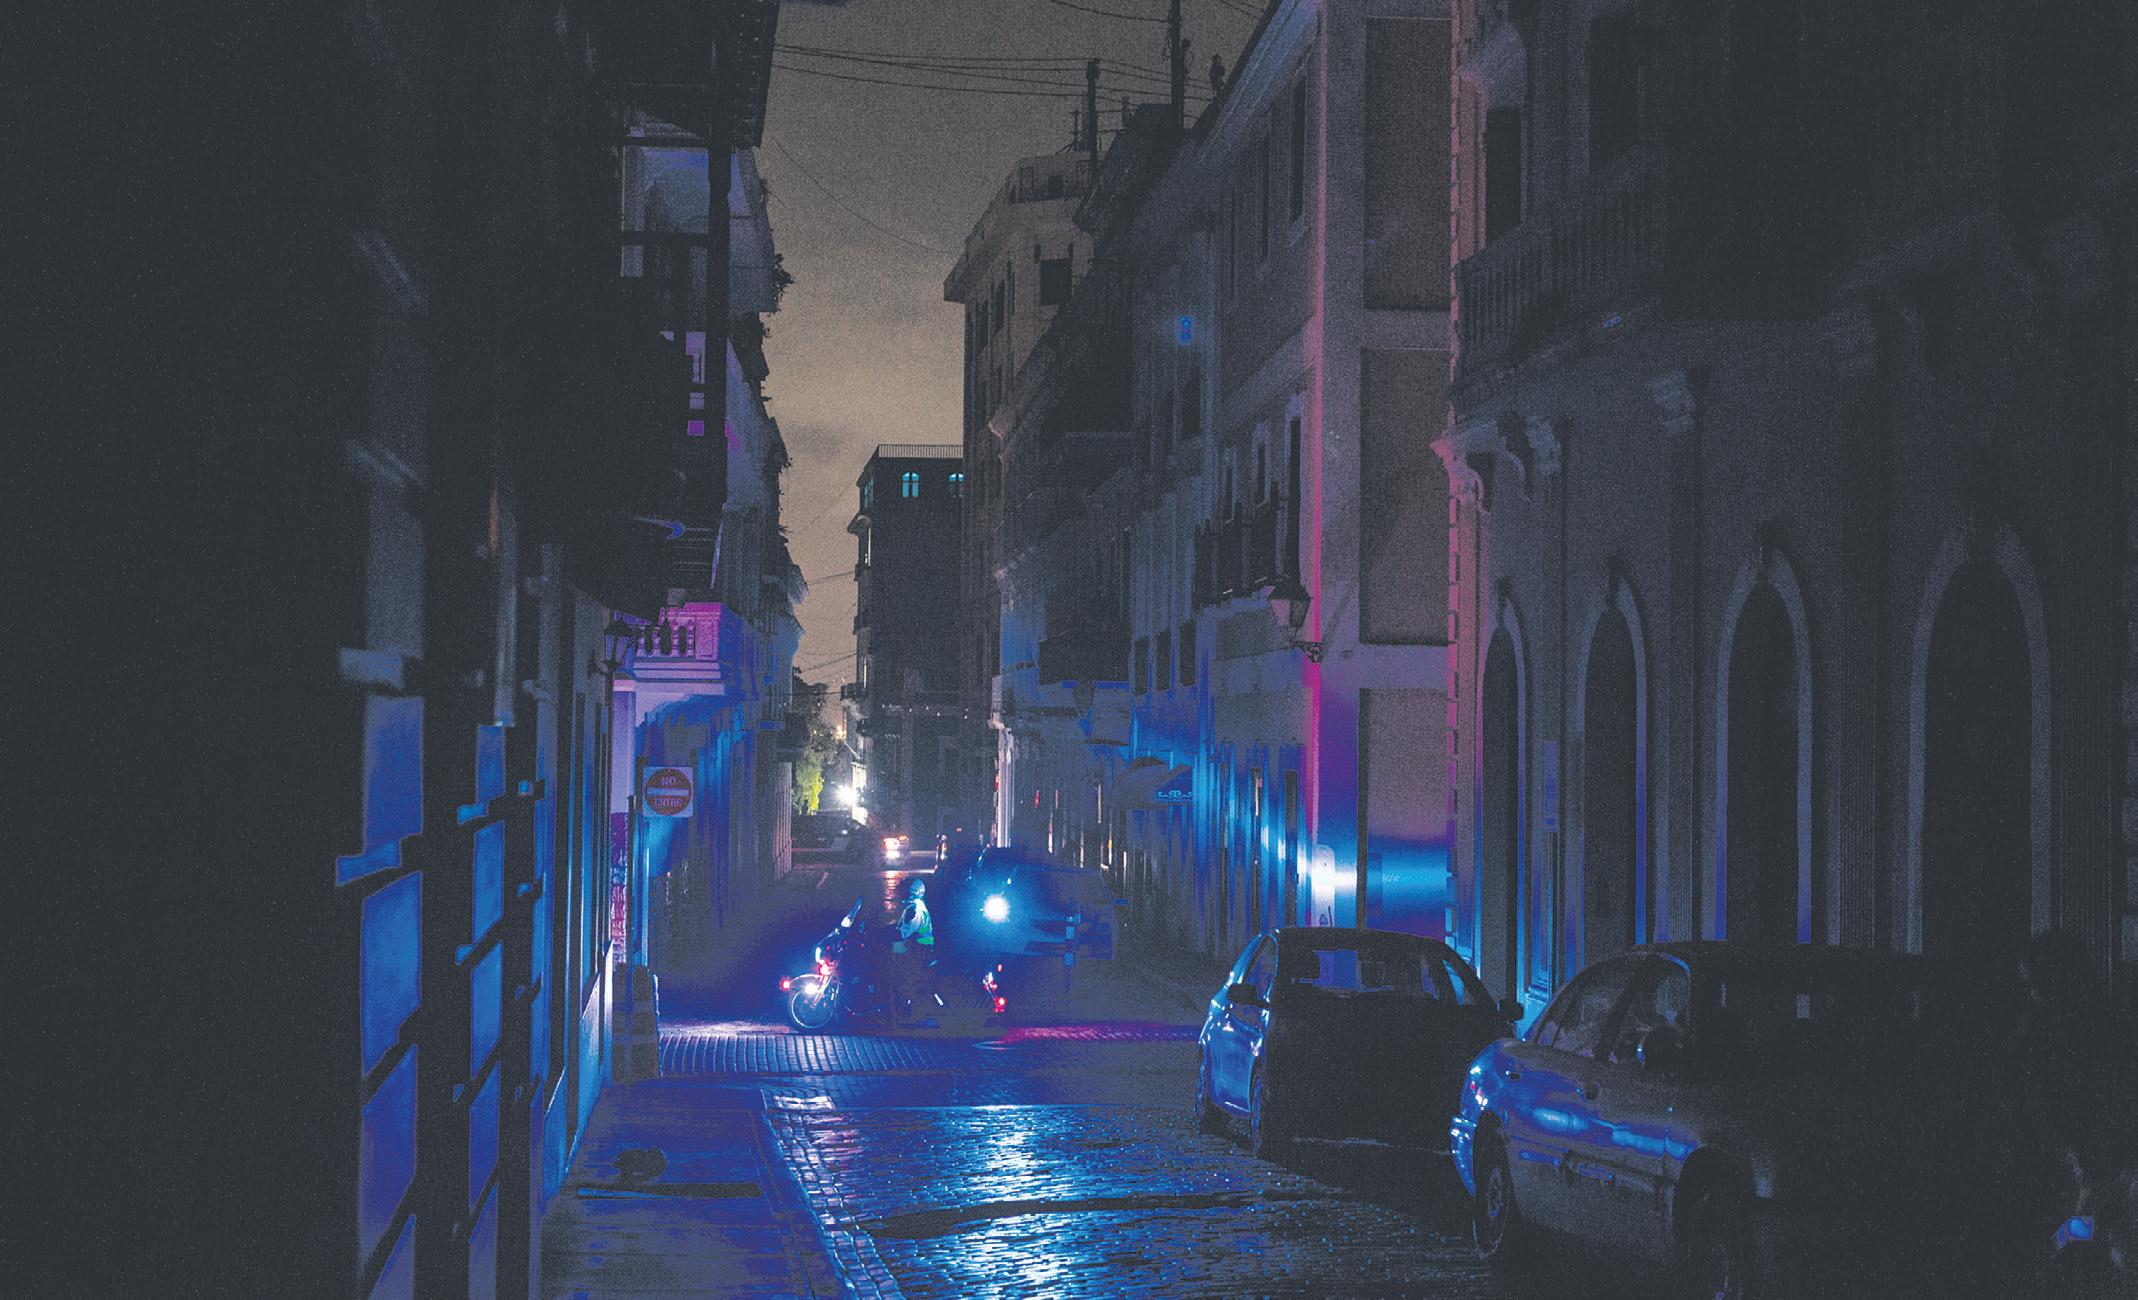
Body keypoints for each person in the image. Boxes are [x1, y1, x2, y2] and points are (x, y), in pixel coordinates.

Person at [889, 876, 934, 1021]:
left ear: (912, 892)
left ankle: (906, 1009)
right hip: (918, 947)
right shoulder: (915, 906)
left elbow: (903, 933)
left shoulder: (914, 910)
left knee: (902, 975)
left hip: (918, 949)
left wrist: (880, 934)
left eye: (905, 891)